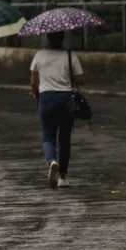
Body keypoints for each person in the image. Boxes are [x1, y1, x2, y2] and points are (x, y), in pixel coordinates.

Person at [29, 32, 84, 189]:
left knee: (48, 135)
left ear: (47, 39)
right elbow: (81, 79)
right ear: (62, 39)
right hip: (66, 99)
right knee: (64, 138)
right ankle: (62, 177)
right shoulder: (70, 55)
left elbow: (33, 82)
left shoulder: (39, 55)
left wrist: (38, 95)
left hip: (46, 98)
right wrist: (69, 75)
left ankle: (52, 161)